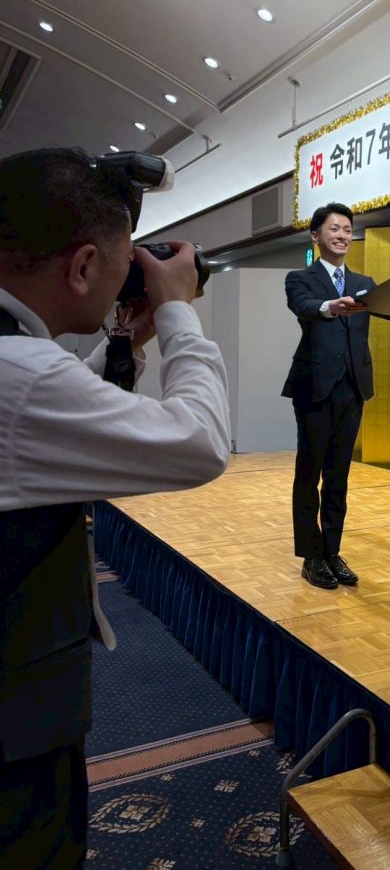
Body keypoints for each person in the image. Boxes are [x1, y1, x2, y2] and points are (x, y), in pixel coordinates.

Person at [0, 147, 230, 868]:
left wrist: (127, 339)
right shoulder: (21, 375)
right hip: (14, 723)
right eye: (125, 261)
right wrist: (179, 311)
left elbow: (55, 414)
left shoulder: (19, 359)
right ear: (81, 267)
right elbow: (199, 444)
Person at [282, 202, 375, 590]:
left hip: (353, 388)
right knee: (310, 472)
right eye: (334, 229)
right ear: (316, 236)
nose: (342, 235)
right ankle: (311, 555)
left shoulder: (364, 283)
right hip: (314, 387)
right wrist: (329, 306)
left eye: (348, 230)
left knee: (339, 475)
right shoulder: (300, 278)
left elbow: (387, 310)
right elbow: (302, 306)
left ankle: (332, 551)